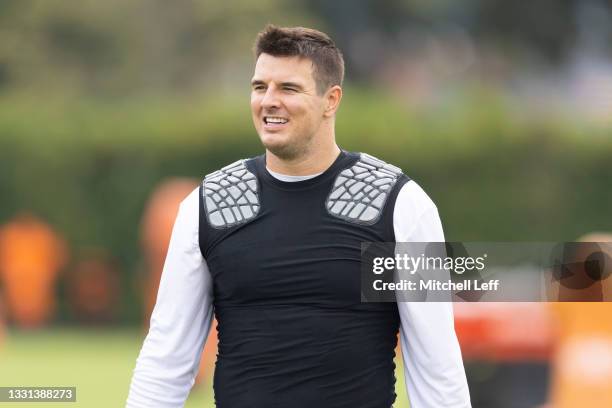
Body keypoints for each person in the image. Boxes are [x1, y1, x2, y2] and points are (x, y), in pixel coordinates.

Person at [126, 25, 470, 408]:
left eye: (288, 89)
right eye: (260, 87)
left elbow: (436, 363)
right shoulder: (206, 206)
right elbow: (166, 358)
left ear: (331, 100)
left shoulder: (401, 205)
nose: (269, 101)